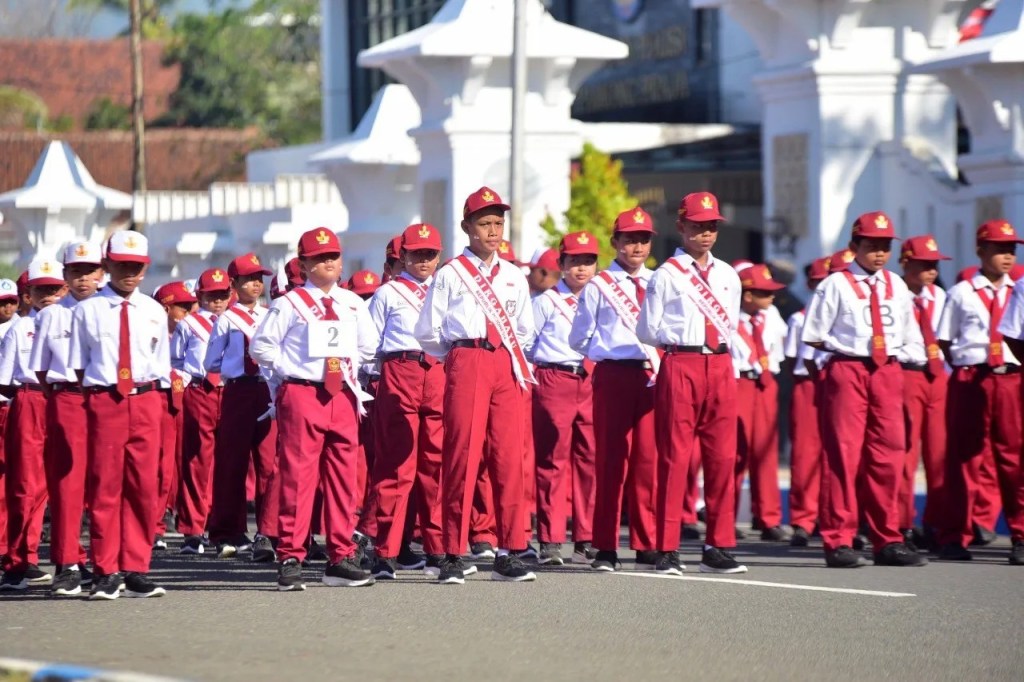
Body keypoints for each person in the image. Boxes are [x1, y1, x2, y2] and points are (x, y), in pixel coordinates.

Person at [415, 187, 537, 584]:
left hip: (506, 362)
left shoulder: (515, 275)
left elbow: (525, 330)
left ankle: (509, 549)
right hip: (466, 359)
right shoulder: (450, 273)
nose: (493, 230)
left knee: (508, 458)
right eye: (484, 223)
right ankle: (451, 551)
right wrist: (459, 356)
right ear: (467, 226)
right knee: (462, 455)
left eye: (498, 223)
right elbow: (428, 332)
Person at [250, 227, 379, 591]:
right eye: (319, 257)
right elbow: (262, 348)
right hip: (303, 393)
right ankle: (290, 554)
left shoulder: (353, 303)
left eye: (333, 257)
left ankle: (340, 554)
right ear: (303, 264)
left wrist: (344, 369)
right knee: (298, 475)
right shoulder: (288, 304)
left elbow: (368, 347)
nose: (328, 263)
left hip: (343, 395)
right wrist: (291, 371)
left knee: (343, 476)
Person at [802, 211, 926, 568]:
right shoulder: (835, 284)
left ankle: (887, 538)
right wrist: (848, 350)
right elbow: (813, 333)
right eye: (871, 246)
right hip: (849, 367)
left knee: (888, 455)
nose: (879, 253)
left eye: (885, 246)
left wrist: (901, 359)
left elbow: (909, 331)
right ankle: (839, 539)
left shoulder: (896, 285)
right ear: (854, 246)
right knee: (843, 455)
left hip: (887, 370)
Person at [637, 192, 746, 575]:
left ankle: (718, 544)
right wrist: (681, 341)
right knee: (674, 456)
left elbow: (730, 323)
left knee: (721, 458)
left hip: (719, 364)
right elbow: (647, 329)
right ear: (681, 226)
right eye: (697, 226)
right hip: (680, 360)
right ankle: (666, 547)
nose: (705, 233)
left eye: (711, 226)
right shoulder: (666, 274)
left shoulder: (729, 275)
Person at [69, 230, 171, 599]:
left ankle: (136, 566)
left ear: (145, 269)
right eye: (122, 264)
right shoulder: (87, 310)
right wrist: (99, 396)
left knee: (144, 486)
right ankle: (106, 568)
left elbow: (160, 365)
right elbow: (78, 364)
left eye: (137, 266)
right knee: (105, 486)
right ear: (106, 265)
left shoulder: (154, 311)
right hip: (105, 400)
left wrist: (148, 400)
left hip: (145, 399)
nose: (130, 272)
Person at [570, 207, 660, 572]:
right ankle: (605, 545)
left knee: (647, 461)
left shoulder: (660, 281)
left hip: (650, 374)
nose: (636, 246)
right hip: (613, 374)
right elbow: (579, 337)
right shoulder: (598, 286)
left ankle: (646, 541)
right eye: (629, 239)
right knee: (609, 460)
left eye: (643, 239)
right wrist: (606, 353)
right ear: (615, 243)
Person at [940, 220, 1024, 565]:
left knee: (1014, 459)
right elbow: (945, 339)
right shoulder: (960, 292)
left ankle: (1020, 535)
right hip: (971, 376)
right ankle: (955, 535)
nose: (1007, 256)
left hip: (1010, 377)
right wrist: (968, 365)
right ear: (980, 251)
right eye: (999, 249)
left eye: (1011, 250)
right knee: (963, 459)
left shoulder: (1018, 289)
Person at [367, 223, 446, 578]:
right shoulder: (386, 294)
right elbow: (368, 344)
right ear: (403, 256)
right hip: (400, 370)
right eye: (417, 254)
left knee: (435, 465)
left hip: (438, 372)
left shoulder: (448, 291)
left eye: (430, 254)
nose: (424, 261)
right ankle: (385, 550)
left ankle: (438, 548)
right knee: (397, 465)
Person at [30, 241, 104, 596]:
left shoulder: (112, 310)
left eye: (89, 271)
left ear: (101, 273)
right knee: (66, 484)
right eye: (75, 271)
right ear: (64, 276)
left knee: (105, 484)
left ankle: (107, 563)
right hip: (68, 399)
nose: (83, 279)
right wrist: (64, 395)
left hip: (106, 399)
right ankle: (67, 563)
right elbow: (41, 370)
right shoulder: (51, 315)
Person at [204, 254, 279, 563]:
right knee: (232, 463)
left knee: (268, 464)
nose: (255, 284)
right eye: (248, 279)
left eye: (258, 278)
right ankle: (226, 531)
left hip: (266, 389)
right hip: (238, 390)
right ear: (233, 284)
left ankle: (268, 531)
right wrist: (234, 367)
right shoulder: (227, 319)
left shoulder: (270, 314)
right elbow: (210, 361)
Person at [531, 231, 599, 566]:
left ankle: (585, 536)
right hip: (554, 377)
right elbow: (527, 342)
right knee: (553, 460)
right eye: (574, 262)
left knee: (589, 459)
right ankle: (551, 538)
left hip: (590, 380)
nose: (582, 269)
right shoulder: (545, 301)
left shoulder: (601, 298)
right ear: (561, 264)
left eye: (588, 261)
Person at [0, 257, 67, 591]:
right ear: (28, 294)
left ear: (64, 287)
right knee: (25, 485)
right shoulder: (19, 327)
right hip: (30, 399)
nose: (48, 295)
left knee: (65, 484)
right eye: (41, 289)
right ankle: (18, 561)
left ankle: (69, 560)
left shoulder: (73, 320)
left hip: (67, 399)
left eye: (54, 288)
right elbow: (4, 379)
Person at [896, 235, 951, 551]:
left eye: (934, 265)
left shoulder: (940, 296)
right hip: (908, 373)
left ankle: (936, 523)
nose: (930, 271)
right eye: (923, 265)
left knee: (938, 453)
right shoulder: (895, 294)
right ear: (906, 263)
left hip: (937, 375)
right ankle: (902, 523)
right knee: (905, 453)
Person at [174, 267, 231, 555]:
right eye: (212, 296)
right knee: (197, 461)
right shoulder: (189, 324)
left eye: (222, 295)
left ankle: (222, 529)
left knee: (227, 464)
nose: (218, 301)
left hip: (229, 391)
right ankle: (192, 530)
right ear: (200, 296)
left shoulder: (235, 321)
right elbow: (176, 361)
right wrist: (185, 386)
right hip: (200, 391)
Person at [731, 263, 789, 542]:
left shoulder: (771, 315)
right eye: (765, 293)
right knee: (734, 452)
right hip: (738, 382)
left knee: (765, 452)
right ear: (748, 296)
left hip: (765, 382)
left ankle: (768, 517)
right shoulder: (730, 316)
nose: (772, 298)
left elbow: (781, 345)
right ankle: (725, 516)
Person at [784, 257, 829, 546]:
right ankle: (803, 519)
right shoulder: (800, 318)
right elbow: (791, 359)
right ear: (811, 284)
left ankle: (832, 517)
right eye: (820, 280)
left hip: (838, 382)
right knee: (805, 455)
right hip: (808, 385)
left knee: (837, 455)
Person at [152, 281, 197, 550]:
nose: (188, 313)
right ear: (166, 308)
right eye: (182, 308)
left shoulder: (191, 333)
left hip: (187, 399)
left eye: (191, 307)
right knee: (159, 464)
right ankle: (156, 523)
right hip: (159, 399)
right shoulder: (151, 332)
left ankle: (188, 522)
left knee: (186, 462)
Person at [0, 278, 20, 568]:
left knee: (10, 478)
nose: (6, 307)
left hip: (10, 408)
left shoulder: (23, 327)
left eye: (11, 301)